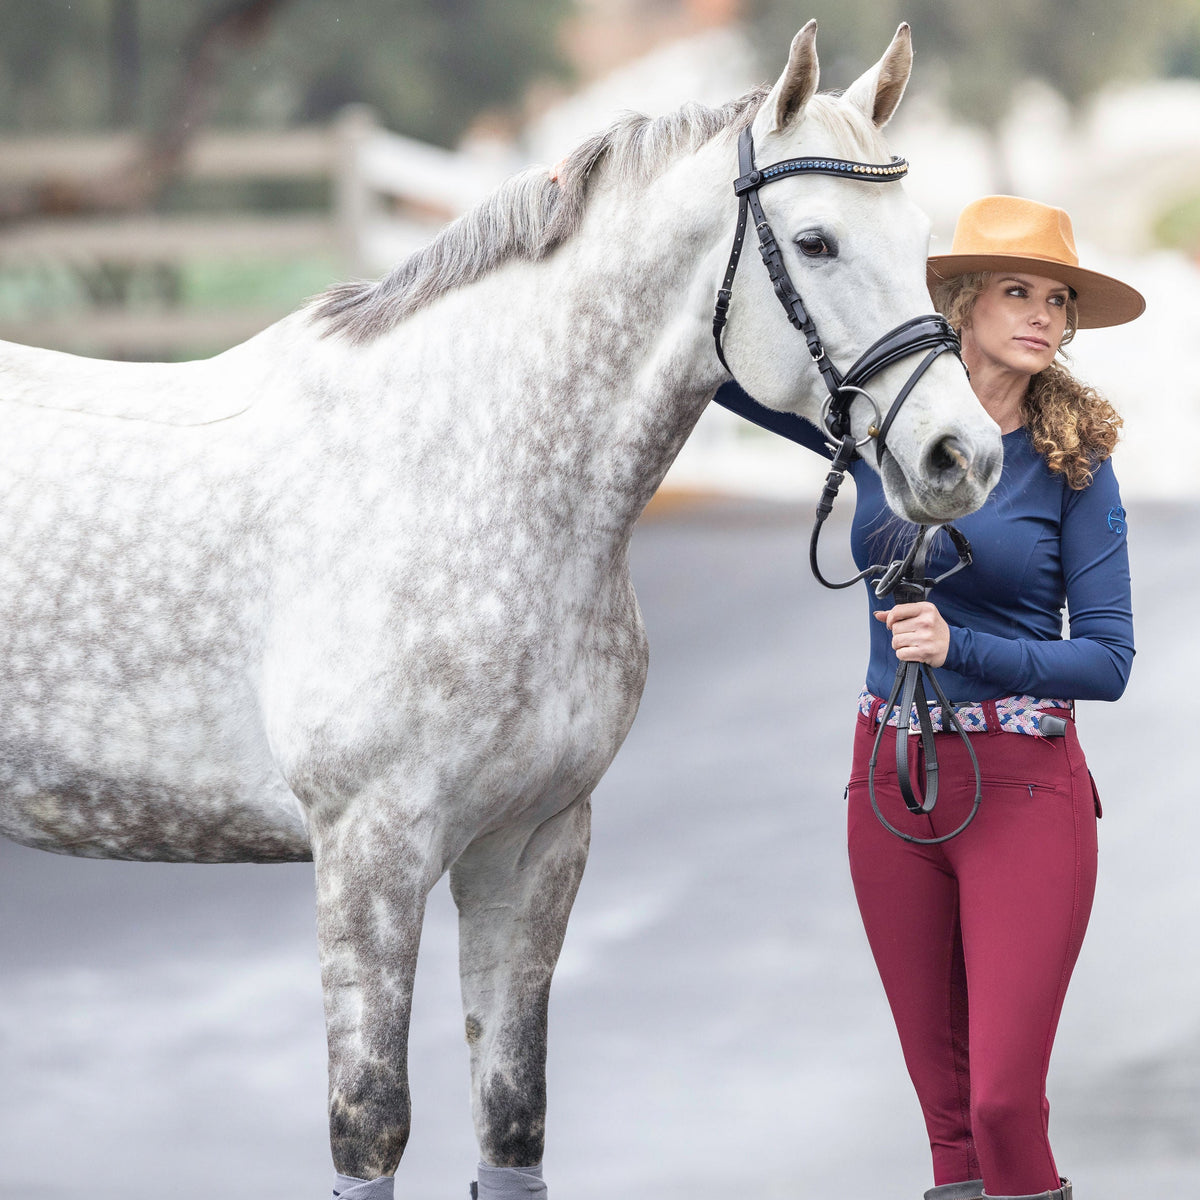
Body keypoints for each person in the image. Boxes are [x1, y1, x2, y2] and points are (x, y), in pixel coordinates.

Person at [713, 194, 1144, 1200]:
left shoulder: (1073, 463)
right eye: (1016, 292)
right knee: (948, 1128)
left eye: (1057, 300)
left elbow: (1112, 661)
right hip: (890, 786)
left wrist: (970, 645)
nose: (1043, 316)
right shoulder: (880, 429)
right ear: (957, 302)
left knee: (1000, 1103)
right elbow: (724, 369)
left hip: (1026, 792)